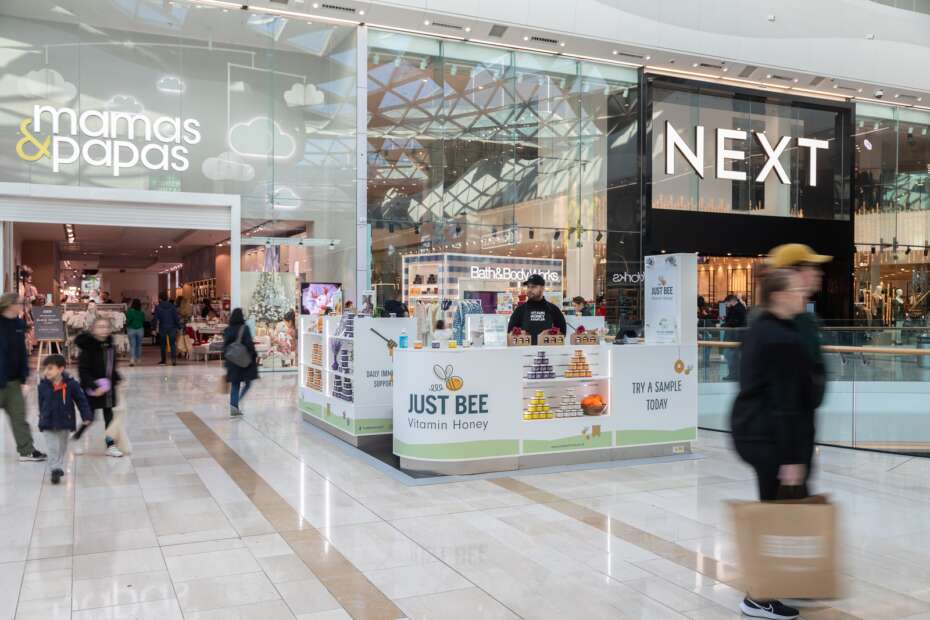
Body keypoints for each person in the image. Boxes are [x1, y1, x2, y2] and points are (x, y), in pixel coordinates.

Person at [730, 269, 815, 620]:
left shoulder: (761, 326)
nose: (803, 295)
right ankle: (759, 596)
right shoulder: (781, 337)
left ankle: (775, 584)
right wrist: (793, 458)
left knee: (776, 511)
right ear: (779, 296)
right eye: (796, 289)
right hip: (766, 436)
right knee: (774, 514)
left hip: (751, 430)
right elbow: (784, 403)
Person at [766, 243, 831, 413]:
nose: (819, 273)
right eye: (811, 267)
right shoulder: (782, 324)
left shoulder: (804, 320)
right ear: (793, 272)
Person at [0, 293, 45, 461]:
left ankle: (26, 450)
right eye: (19, 303)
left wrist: (24, 377)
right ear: (9, 304)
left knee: (19, 417)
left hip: (13, 382)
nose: (22, 306)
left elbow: (21, 353)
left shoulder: (19, 324)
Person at [37, 354, 92, 484]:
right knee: (53, 448)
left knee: (62, 447)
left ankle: (58, 465)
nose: (46, 372)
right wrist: (41, 417)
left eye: (50, 368)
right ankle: (55, 469)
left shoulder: (71, 384)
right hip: (48, 422)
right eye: (45, 369)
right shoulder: (43, 385)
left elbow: (81, 400)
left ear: (61, 369)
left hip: (64, 421)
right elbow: (41, 403)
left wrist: (86, 415)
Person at [76, 318, 123, 458]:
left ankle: (110, 445)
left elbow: (111, 368)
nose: (103, 330)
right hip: (92, 389)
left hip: (108, 388)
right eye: (100, 327)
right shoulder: (87, 348)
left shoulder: (110, 346)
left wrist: (118, 378)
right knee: (89, 417)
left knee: (109, 415)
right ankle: (77, 437)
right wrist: (93, 386)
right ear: (93, 330)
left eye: (106, 327)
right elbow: (83, 371)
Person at [507, 274, 567, 344]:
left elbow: (562, 333)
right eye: (528, 287)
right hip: (524, 353)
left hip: (548, 352)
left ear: (542, 288)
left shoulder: (553, 309)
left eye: (533, 287)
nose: (529, 290)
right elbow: (510, 333)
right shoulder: (519, 310)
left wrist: (550, 333)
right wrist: (519, 333)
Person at [223, 308, 258, 417]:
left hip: (232, 361)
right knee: (248, 383)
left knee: (235, 384)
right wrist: (254, 356)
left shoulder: (227, 330)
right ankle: (236, 402)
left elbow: (224, 347)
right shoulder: (245, 328)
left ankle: (234, 406)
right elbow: (249, 344)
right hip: (244, 361)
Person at [721, 294, 748, 381]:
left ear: (731, 301)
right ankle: (733, 374)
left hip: (735, 336)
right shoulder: (736, 307)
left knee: (731, 356)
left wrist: (724, 325)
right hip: (734, 336)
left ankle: (734, 375)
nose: (726, 305)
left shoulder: (738, 308)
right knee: (731, 356)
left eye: (726, 303)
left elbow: (734, 322)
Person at [154, 292, 182, 366]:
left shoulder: (158, 307)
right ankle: (173, 360)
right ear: (168, 298)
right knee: (172, 344)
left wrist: (154, 328)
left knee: (163, 344)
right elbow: (176, 317)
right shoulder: (173, 306)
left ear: (160, 298)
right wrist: (179, 326)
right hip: (172, 327)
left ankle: (163, 360)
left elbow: (156, 319)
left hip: (162, 327)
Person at [125, 299, 145, 366]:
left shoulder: (130, 311)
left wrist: (126, 325)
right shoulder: (142, 312)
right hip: (140, 329)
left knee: (132, 345)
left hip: (131, 329)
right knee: (139, 345)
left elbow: (128, 321)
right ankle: (138, 359)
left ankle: (132, 359)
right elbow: (143, 320)